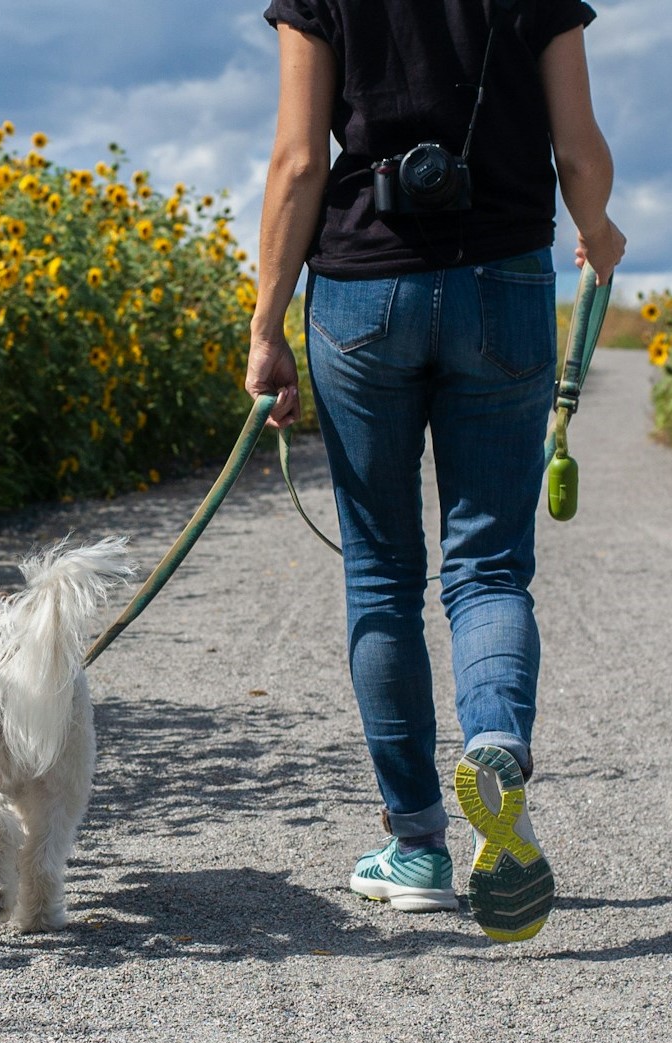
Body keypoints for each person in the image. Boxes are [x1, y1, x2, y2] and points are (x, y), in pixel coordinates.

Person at [246, 0, 625, 942]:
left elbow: (298, 161)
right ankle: (495, 742)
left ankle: (416, 848)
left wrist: (266, 324)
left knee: (380, 573)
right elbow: (576, 147)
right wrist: (598, 227)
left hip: (361, 288)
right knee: (489, 566)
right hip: (503, 280)